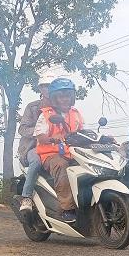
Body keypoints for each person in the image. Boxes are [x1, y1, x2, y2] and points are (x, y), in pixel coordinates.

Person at [33, 78, 84, 223]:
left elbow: (83, 132)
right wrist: (52, 139)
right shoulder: (46, 114)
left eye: (68, 96)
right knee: (62, 167)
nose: (65, 99)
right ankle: (67, 209)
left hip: (72, 153)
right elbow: (40, 136)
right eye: (61, 96)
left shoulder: (76, 113)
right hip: (51, 155)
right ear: (54, 98)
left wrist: (103, 138)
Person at [17, 73, 55, 212]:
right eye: (45, 86)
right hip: (33, 148)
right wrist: (40, 132)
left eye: (51, 86)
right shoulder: (32, 107)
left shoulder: (62, 108)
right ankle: (26, 197)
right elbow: (22, 129)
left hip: (55, 147)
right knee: (36, 162)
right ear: (40, 89)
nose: (48, 89)